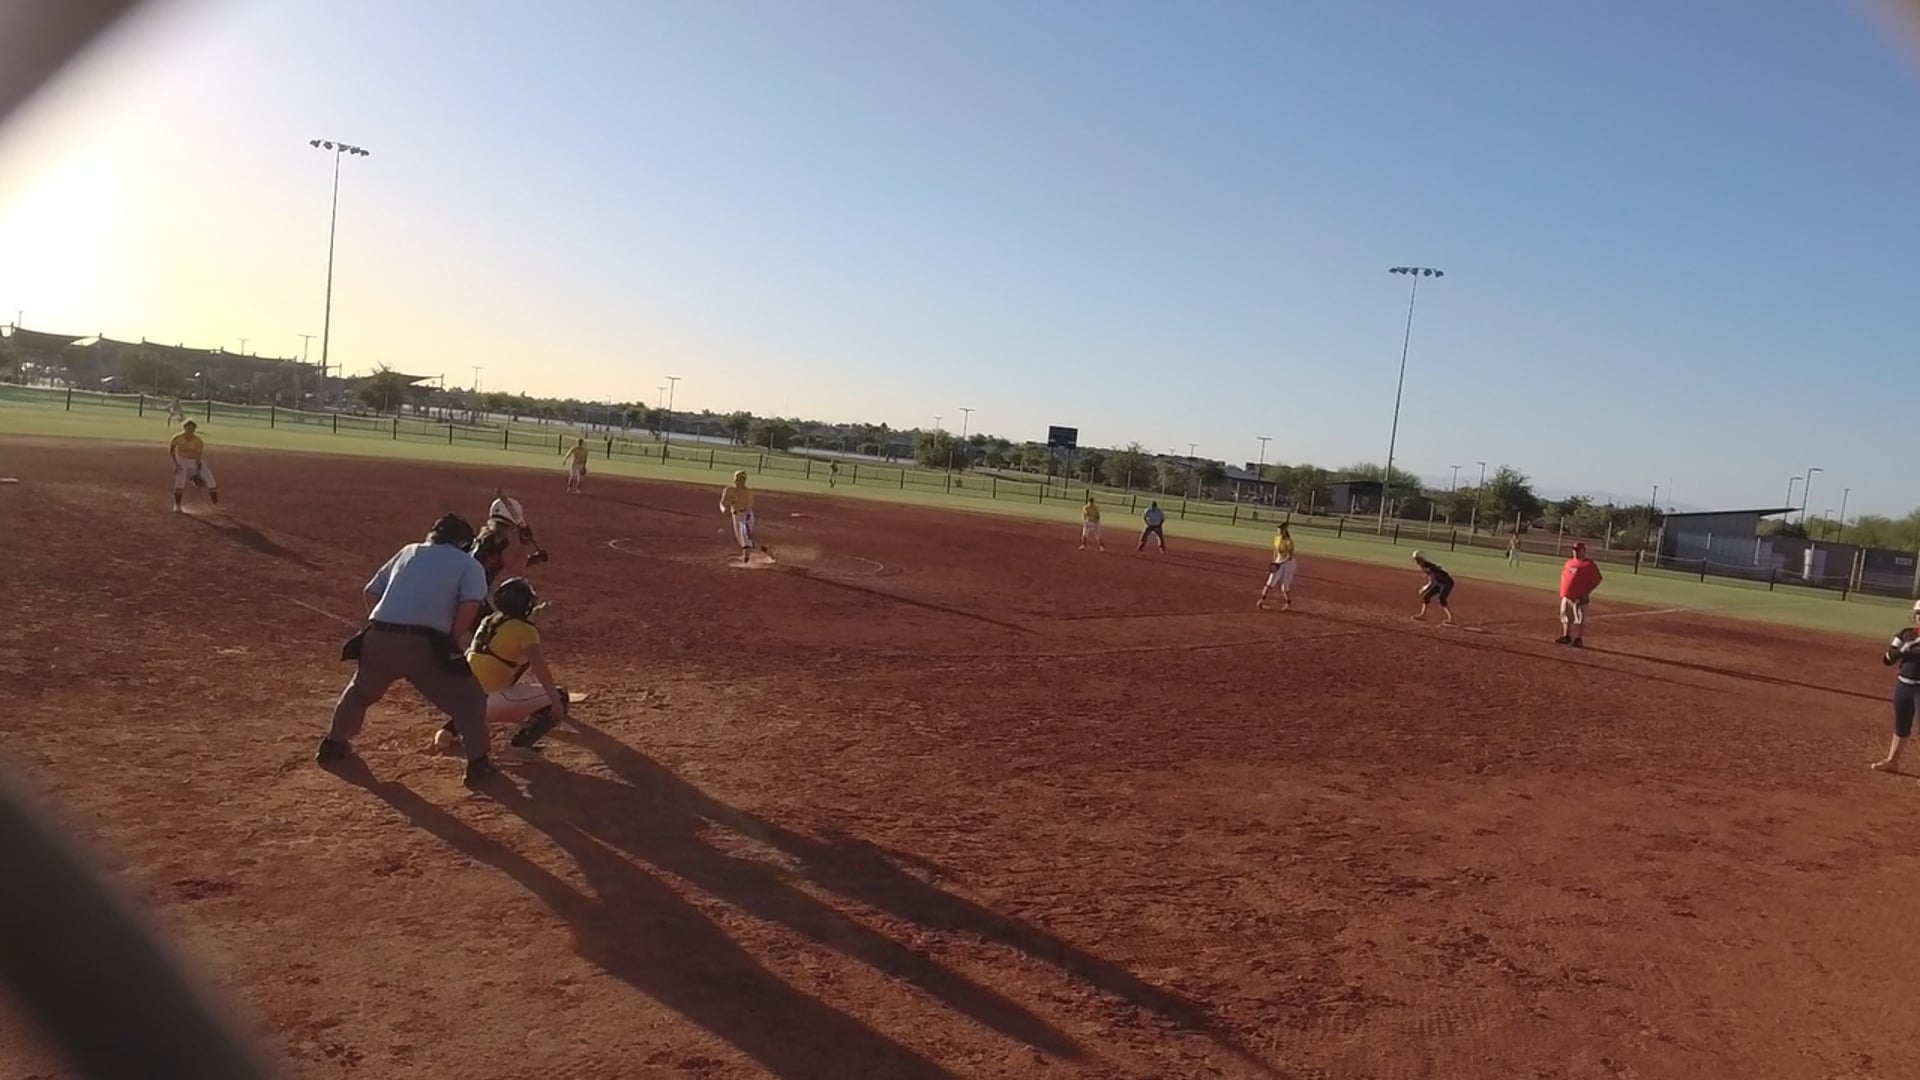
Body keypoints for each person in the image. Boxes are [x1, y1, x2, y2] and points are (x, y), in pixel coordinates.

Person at [317, 514, 499, 784]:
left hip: (378, 638)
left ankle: (333, 745)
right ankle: (478, 764)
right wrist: (450, 640)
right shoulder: (468, 564)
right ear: (464, 543)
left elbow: (371, 591)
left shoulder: (409, 551)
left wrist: (384, 624)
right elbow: (470, 604)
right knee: (469, 699)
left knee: (360, 691)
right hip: (424, 643)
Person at [436, 577, 569, 753]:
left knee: (485, 680)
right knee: (561, 697)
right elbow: (538, 666)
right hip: (491, 704)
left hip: (458, 699)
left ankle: (448, 731)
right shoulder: (526, 631)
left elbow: (508, 636)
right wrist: (555, 700)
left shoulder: (488, 621)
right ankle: (520, 746)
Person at [1871, 599, 1920, 774]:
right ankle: (1892, 761)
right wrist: (1902, 651)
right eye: (1918, 613)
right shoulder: (1905, 634)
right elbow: (1887, 659)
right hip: (1904, 686)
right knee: (1901, 726)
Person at [486, 486, 549, 567]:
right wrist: (524, 543)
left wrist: (534, 559)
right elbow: (514, 567)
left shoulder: (488, 539)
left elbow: (505, 564)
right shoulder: (500, 543)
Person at [1557, 541, 1603, 646]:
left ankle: (1578, 638)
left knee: (1579, 619)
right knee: (1565, 616)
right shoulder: (1569, 563)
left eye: (1578, 550)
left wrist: (1587, 592)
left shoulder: (1589, 565)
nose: (1575, 552)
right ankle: (1566, 636)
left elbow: (1598, 579)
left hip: (1580, 597)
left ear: (1583, 551)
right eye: (1574, 550)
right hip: (1567, 596)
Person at [167, 420, 218, 512]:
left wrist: (197, 472)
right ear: (184, 428)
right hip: (181, 460)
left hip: (194, 460)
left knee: (211, 480)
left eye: (192, 429)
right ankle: (177, 506)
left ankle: (215, 506)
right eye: (188, 428)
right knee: (180, 481)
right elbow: (171, 451)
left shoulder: (198, 441)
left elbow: (199, 455)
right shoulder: (177, 438)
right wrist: (176, 464)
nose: (190, 430)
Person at [720, 470, 759, 563]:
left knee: (744, 535)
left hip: (746, 516)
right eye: (738, 479)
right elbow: (722, 503)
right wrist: (723, 509)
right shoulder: (728, 490)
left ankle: (746, 559)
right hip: (736, 516)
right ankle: (764, 549)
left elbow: (748, 506)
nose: (740, 481)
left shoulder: (748, 491)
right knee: (741, 540)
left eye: (742, 479)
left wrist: (736, 502)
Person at [1411, 550, 1455, 625]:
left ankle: (1451, 618)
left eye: (1418, 559)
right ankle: (1423, 615)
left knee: (1442, 598)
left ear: (1422, 559)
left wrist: (1424, 588)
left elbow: (1431, 582)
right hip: (1439, 582)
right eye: (1416, 560)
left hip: (1447, 583)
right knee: (1426, 596)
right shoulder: (1425, 566)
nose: (1417, 562)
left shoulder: (1429, 567)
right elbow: (1432, 580)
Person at [1258, 524, 1296, 610]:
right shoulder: (1276, 539)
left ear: (1285, 531)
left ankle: (1288, 603)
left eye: (1281, 530)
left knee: (1284, 586)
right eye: (1278, 530)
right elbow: (1275, 552)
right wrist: (1273, 563)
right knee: (1270, 582)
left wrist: (1280, 563)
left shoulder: (1289, 541)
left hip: (1288, 564)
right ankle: (1261, 600)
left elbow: (1289, 556)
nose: (1279, 531)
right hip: (1278, 561)